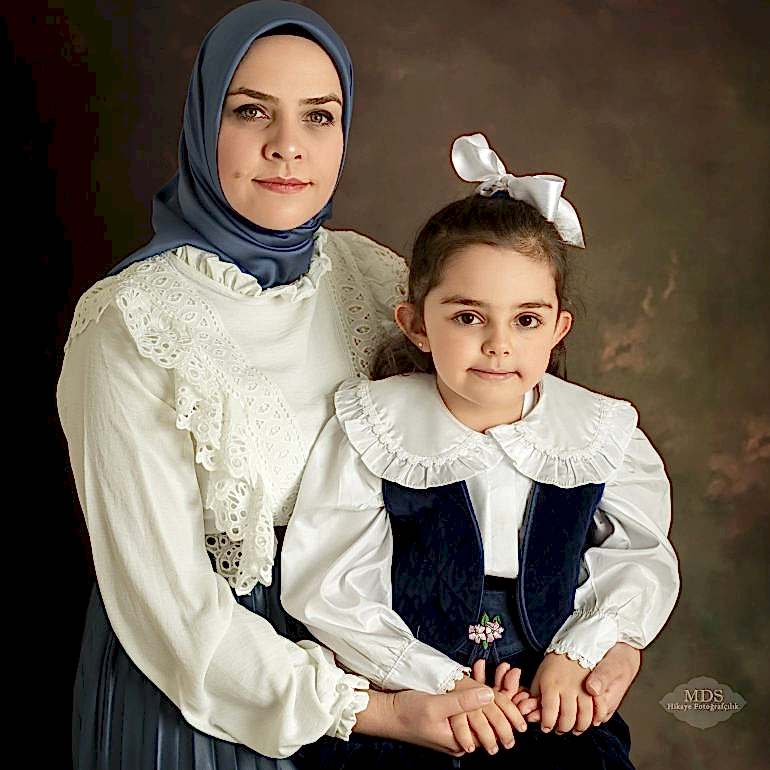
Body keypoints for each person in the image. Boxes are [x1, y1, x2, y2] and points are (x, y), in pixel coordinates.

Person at [56, 0, 644, 766]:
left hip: (404, 675)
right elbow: (166, 607)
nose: (287, 146)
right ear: (203, 125)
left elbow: (511, 466)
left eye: (319, 116)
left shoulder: (370, 276)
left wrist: (604, 643)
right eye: (250, 111)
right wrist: (383, 710)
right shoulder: (131, 324)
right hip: (212, 697)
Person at [281, 134, 681, 768]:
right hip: (411, 696)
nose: (499, 344)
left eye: (526, 319)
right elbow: (332, 586)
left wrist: (579, 653)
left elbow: (639, 558)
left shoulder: (601, 433)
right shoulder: (374, 427)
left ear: (558, 328)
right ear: (417, 324)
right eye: (469, 317)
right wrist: (435, 681)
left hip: (547, 694)